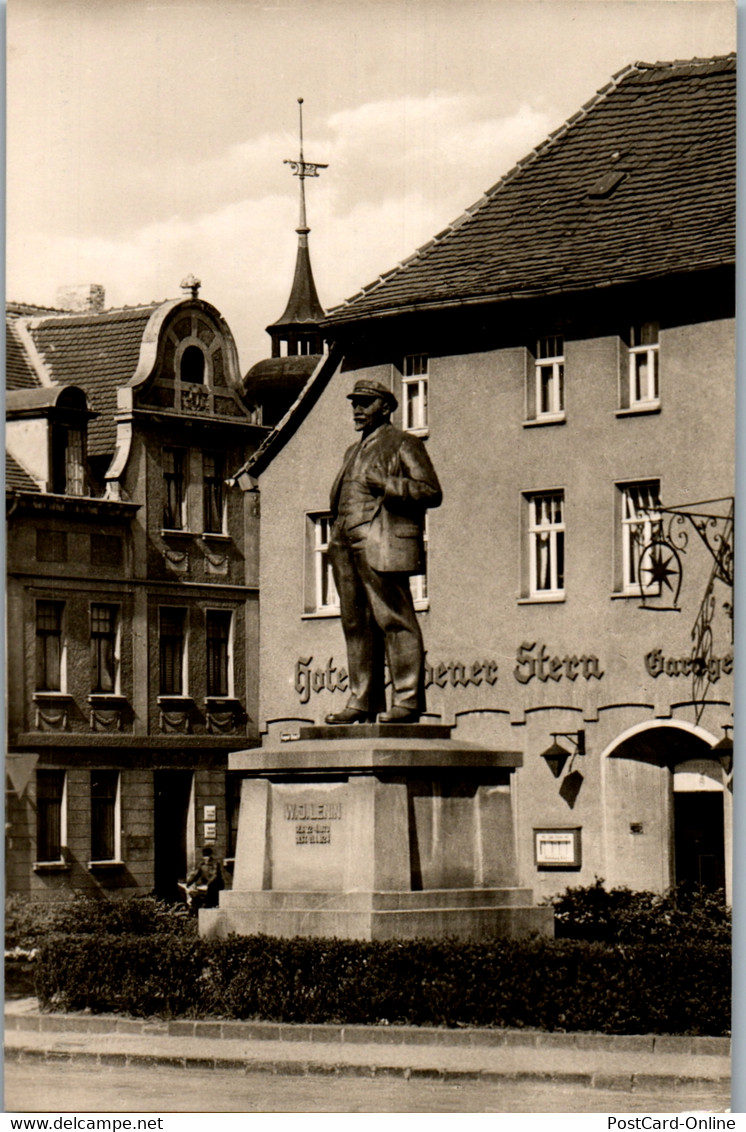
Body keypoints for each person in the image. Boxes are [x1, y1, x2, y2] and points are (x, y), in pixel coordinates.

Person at [325, 379, 442, 725]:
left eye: (365, 403)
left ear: (386, 407)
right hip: (345, 542)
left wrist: (386, 485)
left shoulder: (403, 443)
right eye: (354, 404)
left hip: (380, 540)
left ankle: (406, 701)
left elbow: (431, 491)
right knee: (355, 623)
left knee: (395, 618)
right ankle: (363, 699)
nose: (357, 410)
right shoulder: (352, 451)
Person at [182, 846, 224, 911]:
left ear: (210, 855)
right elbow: (195, 875)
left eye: (207, 856)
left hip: (215, 886)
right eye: (204, 856)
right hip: (205, 887)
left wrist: (207, 885)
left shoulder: (215, 864)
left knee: (210, 901)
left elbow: (215, 875)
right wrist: (187, 884)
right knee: (196, 896)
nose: (206, 858)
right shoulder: (201, 865)